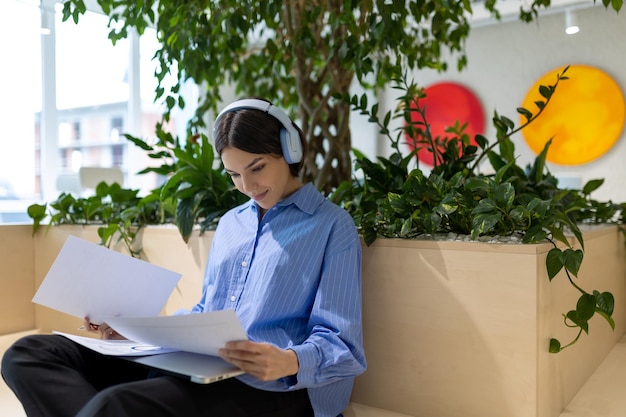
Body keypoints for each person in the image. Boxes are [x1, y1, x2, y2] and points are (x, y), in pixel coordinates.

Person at [1, 98, 367, 417]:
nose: (248, 187)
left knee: (117, 406)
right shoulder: (231, 223)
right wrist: (129, 330)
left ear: (290, 151)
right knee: (28, 354)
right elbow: (206, 313)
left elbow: (344, 346)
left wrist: (289, 361)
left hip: (270, 388)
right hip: (199, 366)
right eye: (234, 175)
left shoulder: (332, 226)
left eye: (256, 168)